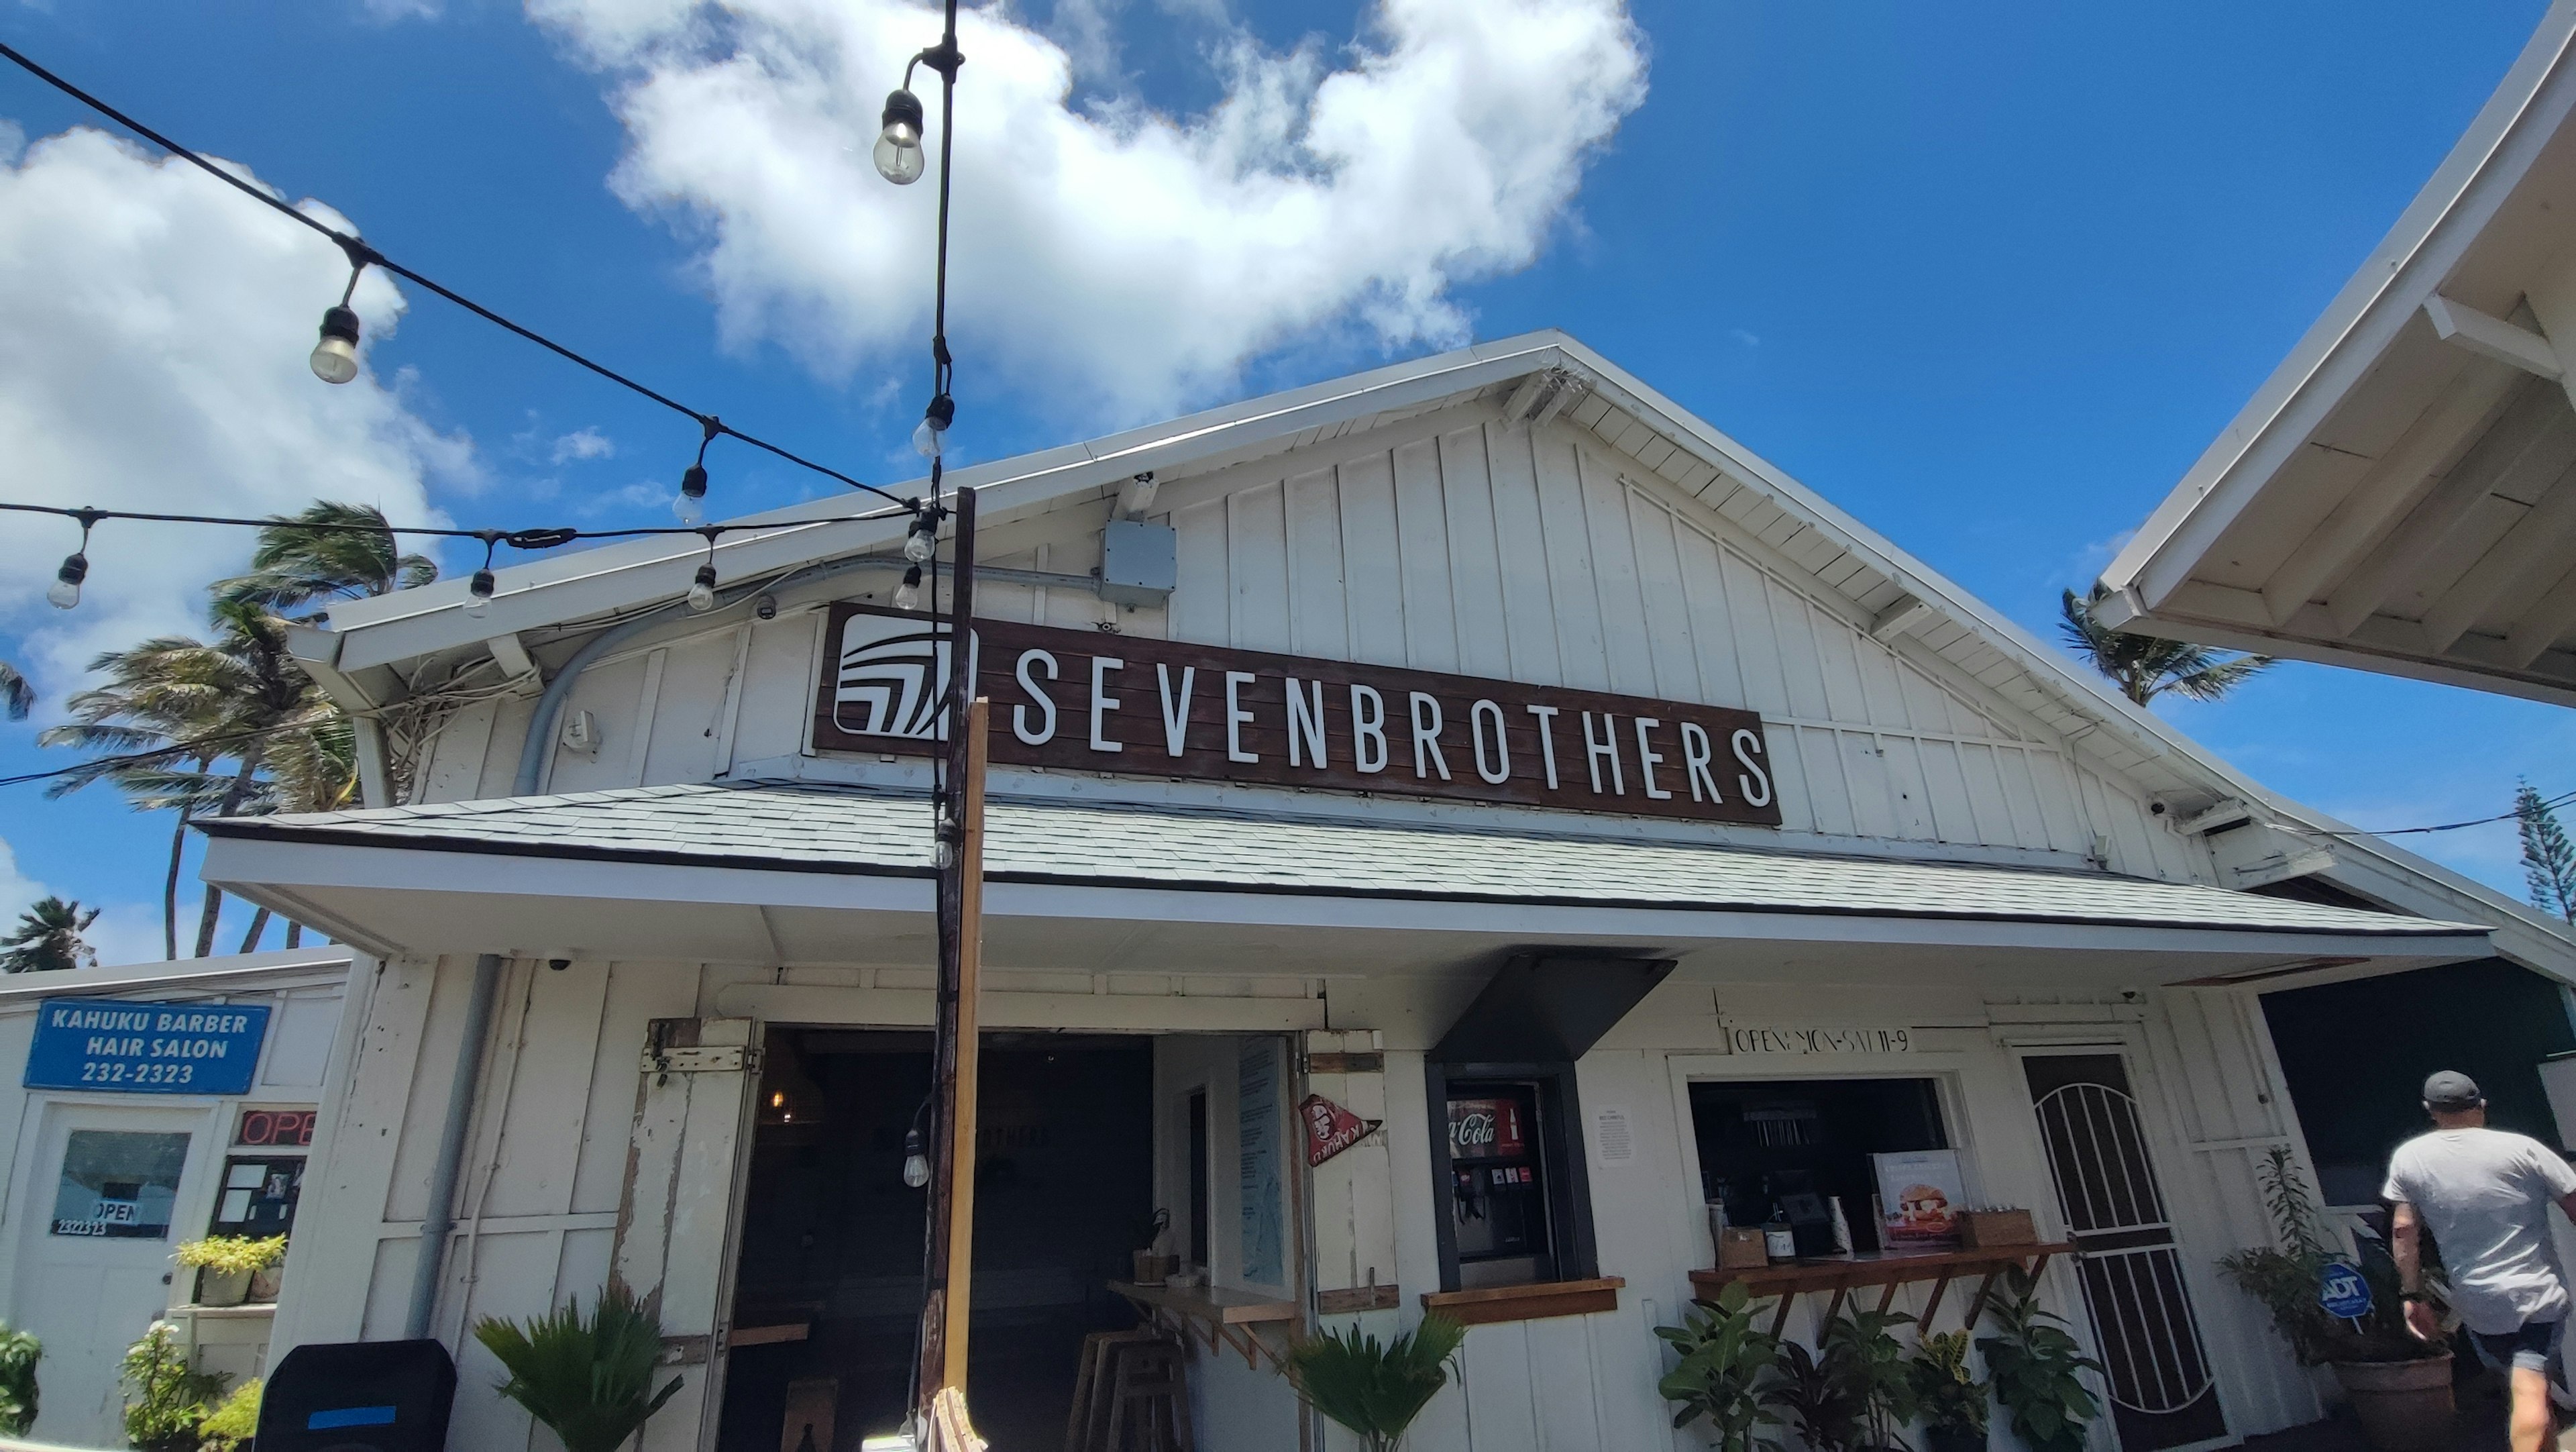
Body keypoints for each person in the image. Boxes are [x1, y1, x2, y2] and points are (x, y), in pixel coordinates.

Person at [2387, 1070, 2576, 1452]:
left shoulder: (2410, 1158)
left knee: (2531, 1389)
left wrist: (2412, 1294)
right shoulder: (2523, 1149)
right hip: (2535, 1294)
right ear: (2481, 1106)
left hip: (2477, 1303)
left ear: (2431, 1110)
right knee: (2530, 1392)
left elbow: (2404, 1230)